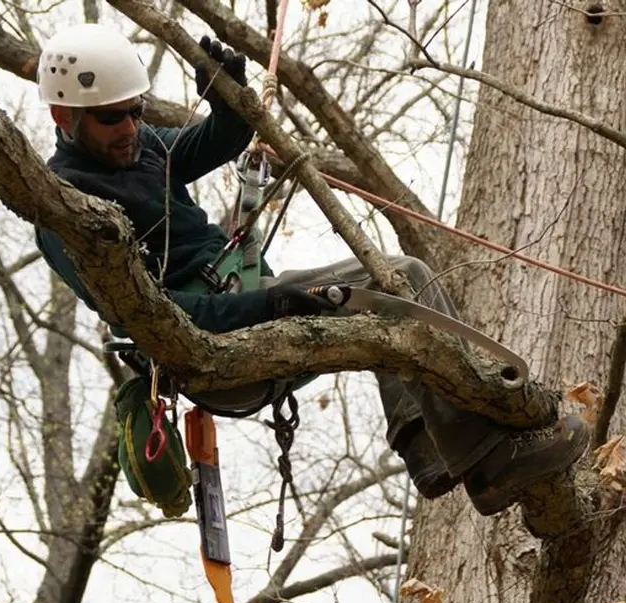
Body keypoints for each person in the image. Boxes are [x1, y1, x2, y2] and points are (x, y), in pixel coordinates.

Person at [34, 24, 588, 517]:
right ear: (64, 115)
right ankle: (489, 461)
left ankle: (430, 448)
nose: (131, 126)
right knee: (395, 283)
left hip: (249, 301)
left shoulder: (143, 147)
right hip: (210, 350)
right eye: (113, 117)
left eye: (137, 110)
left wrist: (228, 94)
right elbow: (163, 317)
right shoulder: (69, 210)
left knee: (398, 285)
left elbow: (217, 140)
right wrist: (274, 304)